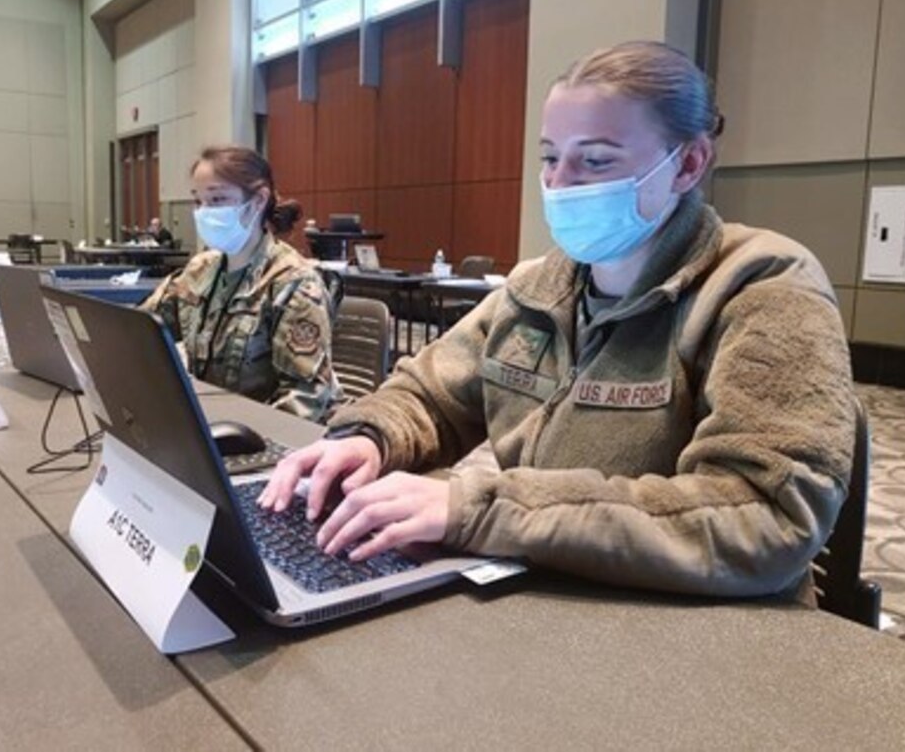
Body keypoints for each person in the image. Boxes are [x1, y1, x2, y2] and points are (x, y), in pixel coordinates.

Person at [260, 41, 857, 603]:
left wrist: (483, 508)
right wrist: (371, 437)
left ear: (689, 164)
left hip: (700, 632)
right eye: (550, 158)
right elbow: (432, 394)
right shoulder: (540, 287)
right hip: (554, 596)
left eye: (595, 160)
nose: (560, 184)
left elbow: (764, 515)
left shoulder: (765, 286)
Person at [142, 145, 342, 422]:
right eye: (198, 202)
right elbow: (142, 329)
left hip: (274, 439)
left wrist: (240, 444)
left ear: (259, 200)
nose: (203, 212)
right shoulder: (200, 269)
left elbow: (305, 398)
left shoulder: (294, 284)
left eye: (217, 199)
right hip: (217, 422)